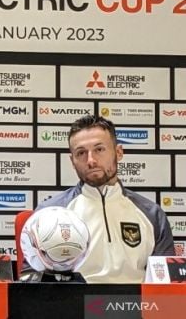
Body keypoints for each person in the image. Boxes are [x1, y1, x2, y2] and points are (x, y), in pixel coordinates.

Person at [24, 115, 174, 283]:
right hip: (75, 305)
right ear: (72, 161)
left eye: (99, 149)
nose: (91, 160)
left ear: (119, 152)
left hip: (136, 306)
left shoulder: (152, 214)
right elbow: (31, 282)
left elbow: (166, 286)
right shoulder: (49, 214)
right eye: (81, 153)